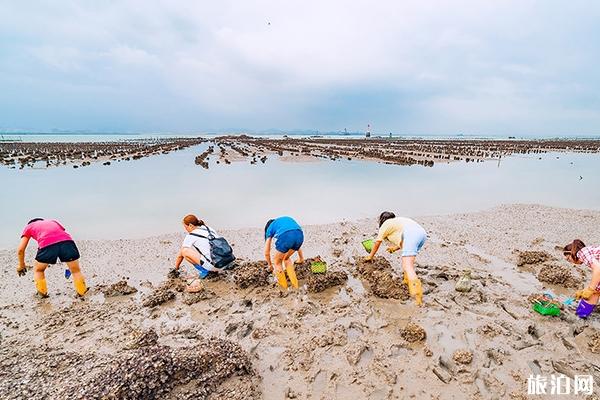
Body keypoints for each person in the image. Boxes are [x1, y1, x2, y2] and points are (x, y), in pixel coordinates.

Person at [365, 212, 427, 305]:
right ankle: (406, 282)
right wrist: (394, 248)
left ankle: (418, 296)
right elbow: (403, 241)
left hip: (411, 234)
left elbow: (377, 243)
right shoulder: (399, 223)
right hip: (422, 234)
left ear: (382, 220)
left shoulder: (385, 225)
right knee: (406, 263)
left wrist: (370, 256)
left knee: (408, 266)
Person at [17, 218, 87, 297]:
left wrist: (21, 265)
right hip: (67, 242)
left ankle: (42, 293)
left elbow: (20, 250)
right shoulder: (52, 221)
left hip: (47, 245)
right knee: (76, 270)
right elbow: (59, 232)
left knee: (39, 270)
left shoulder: (29, 227)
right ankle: (82, 292)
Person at [174, 214, 234, 284]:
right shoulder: (208, 228)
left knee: (184, 251)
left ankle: (205, 271)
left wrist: (176, 268)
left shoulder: (191, 235)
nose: (186, 230)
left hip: (216, 266)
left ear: (190, 225)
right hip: (226, 261)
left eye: (185, 227)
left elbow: (180, 255)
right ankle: (213, 267)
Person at [264, 216, 305, 289]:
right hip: (300, 235)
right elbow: (296, 244)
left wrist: (270, 265)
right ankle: (296, 286)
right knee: (286, 258)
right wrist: (301, 258)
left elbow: (267, 252)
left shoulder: (269, 228)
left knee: (277, 262)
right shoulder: (282, 222)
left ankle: (284, 288)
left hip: (286, 236)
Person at [563, 239, 600, 318]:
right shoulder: (588, 251)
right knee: (596, 291)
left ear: (572, 253)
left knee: (593, 292)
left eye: (569, 259)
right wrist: (585, 291)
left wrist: (590, 289)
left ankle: (580, 316)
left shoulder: (582, 253)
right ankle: (581, 315)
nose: (571, 262)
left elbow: (598, 269)